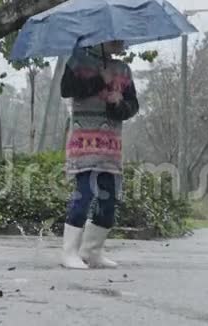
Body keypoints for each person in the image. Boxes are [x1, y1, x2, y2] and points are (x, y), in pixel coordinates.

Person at [60, 40, 139, 269]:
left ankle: (91, 251)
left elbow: (132, 106)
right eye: (117, 38)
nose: (122, 43)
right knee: (84, 194)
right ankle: (69, 252)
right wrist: (99, 81)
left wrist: (119, 103)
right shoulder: (77, 61)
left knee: (109, 198)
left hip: (110, 147)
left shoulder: (123, 69)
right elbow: (67, 90)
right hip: (84, 143)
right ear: (103, 38)